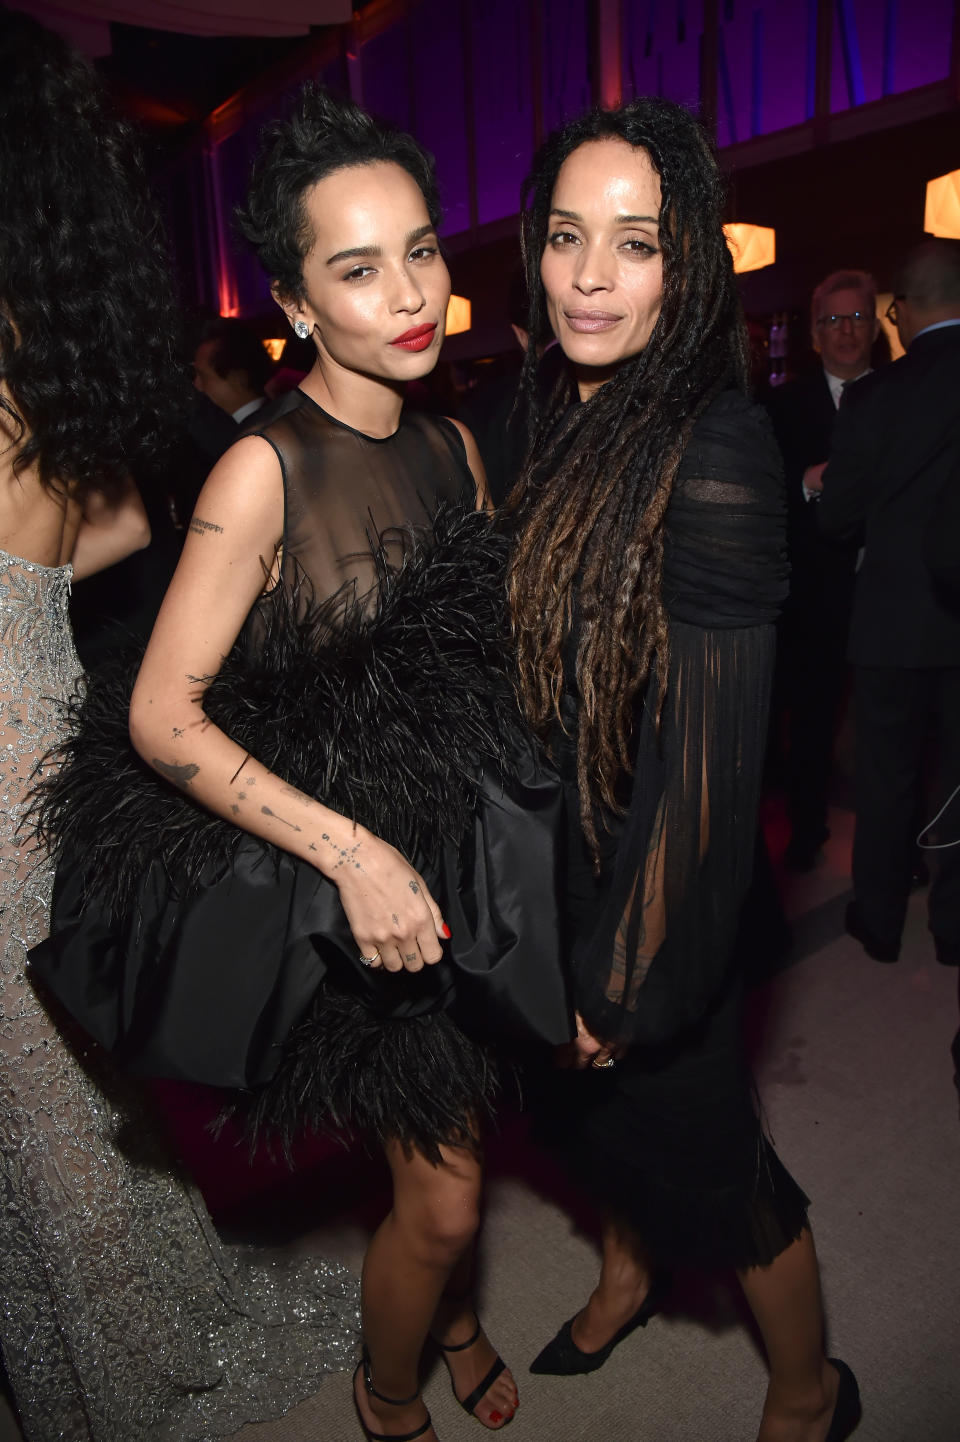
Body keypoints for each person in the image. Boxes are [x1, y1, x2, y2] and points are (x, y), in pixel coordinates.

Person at [30, 85, 572, 1442]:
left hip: (457, 859)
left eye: (422, 250)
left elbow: (481, 663)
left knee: (452, 1164)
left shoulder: (452, 441)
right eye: (356, 268)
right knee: (445, 1192)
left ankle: (445, 1310)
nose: (407, 294)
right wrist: (355, 849)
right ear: (294, 300)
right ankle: (388, 1394)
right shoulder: (259, 471)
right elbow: (161, 714)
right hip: (340, 876)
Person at [0, 11, 358, 1441]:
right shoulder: (38, 340)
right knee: (53, 1073)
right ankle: (135, 1328)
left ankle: (108, 1368)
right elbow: (118, 527)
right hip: (30, 712)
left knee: (35, 1099)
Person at [505, 99, 860, 1442]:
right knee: (584, 1133)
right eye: (565, 235)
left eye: (635, 242)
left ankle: (804, 1388)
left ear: (689, 262)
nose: (591, 274)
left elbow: (711, 772)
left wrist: (623, 978)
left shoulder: (714, 451)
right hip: (559, 871)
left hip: (663, 884)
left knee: (717, 1160)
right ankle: (625, 1270)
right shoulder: (542, 409)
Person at [819, 238, 960, 987]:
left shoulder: (877, 396)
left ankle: (878, 922)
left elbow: (838, 518)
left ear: (897, 312)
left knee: (887, 780)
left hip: (891, 623)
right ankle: (954, 929)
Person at [765, 271, 878, 871]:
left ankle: (892, 846)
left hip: (891, 594)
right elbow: (765, 494)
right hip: (813, 599)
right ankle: (807, 830)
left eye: (857, 317)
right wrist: (808, 482)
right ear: (813, 334)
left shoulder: (900, 395)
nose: (846, 332)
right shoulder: (784, 407)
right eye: (833, 320)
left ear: (876, 324)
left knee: (891, 733)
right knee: (810, 721)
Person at [192, 315, 273, 426]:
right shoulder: (278, 414)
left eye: (203, 376)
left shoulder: (252, 432)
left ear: (237, 376)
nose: (197, 385)